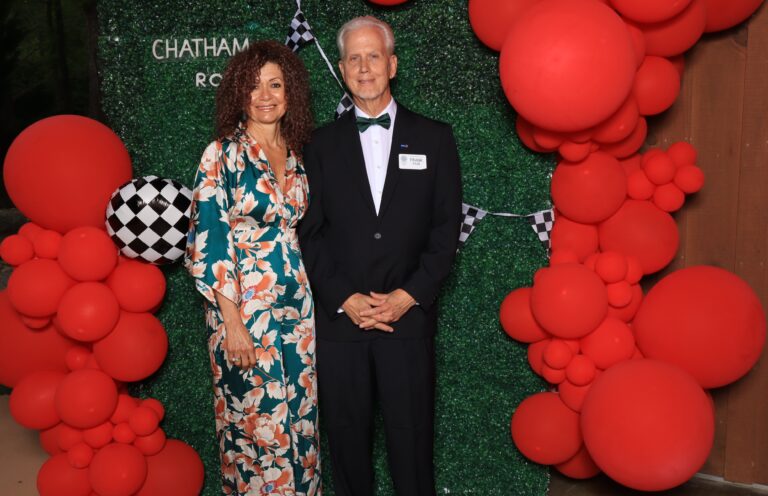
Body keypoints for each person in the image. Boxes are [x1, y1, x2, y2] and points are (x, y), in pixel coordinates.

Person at [298, 16, 462, 496]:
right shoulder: (317, 145)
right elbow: (309, 231)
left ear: (392, 65)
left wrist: (408, 295)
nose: (363, 67)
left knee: (412, 447)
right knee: (347, 449)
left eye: (373, 56)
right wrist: (343, 297)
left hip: (406, 321)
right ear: (343, 69)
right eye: (353, 58)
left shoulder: (435, 138)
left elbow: (445, 229)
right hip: (341, 324)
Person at [185, 40, 320, 496]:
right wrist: (233, 323)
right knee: (254, 427)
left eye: (275, 84)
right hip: (244, 309)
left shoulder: (299, 157)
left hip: (297, 308)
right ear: (238, 94)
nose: (265, 95)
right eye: (253, 86)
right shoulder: (222, 154)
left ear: (291, 92)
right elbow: (210, 239)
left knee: (299, 422)